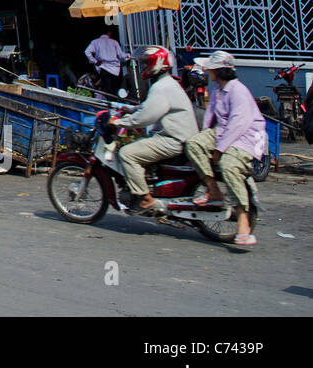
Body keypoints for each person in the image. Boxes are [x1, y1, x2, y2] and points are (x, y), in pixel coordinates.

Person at [184, 51, 265, 246]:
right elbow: (209, 119)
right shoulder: (218, 90)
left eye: (210, 68)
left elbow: (239, 123)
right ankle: (212, 189)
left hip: (247, 137)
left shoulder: (238, 91)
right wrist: (204, 140)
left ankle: (243, 220)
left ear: (218, 71)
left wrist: (219, 150)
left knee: (229, 165)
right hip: (223, 132)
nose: (207, 71)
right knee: (193, 144)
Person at [111, 45, 200, 213]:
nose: (144, 67)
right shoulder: (167, 84)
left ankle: (146, 199)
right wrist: (130, 110)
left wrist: (119, 123)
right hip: (177, 137)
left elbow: (146, 118)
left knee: (127, 154)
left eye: (146, 64)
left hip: (173, 140)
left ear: (156, 64)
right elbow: (148, 107)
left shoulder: (161, 87)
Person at [85, 28, 130, 99]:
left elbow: (87, 52)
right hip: (115, 70)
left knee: (107, 91)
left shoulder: (95, 42)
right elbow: (121, 55)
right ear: (109, 33)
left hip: (104, 68)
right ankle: (115, 104)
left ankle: (110, 104)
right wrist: (129, 55)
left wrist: (95, 61)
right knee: (115, 90)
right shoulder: (114, 42)